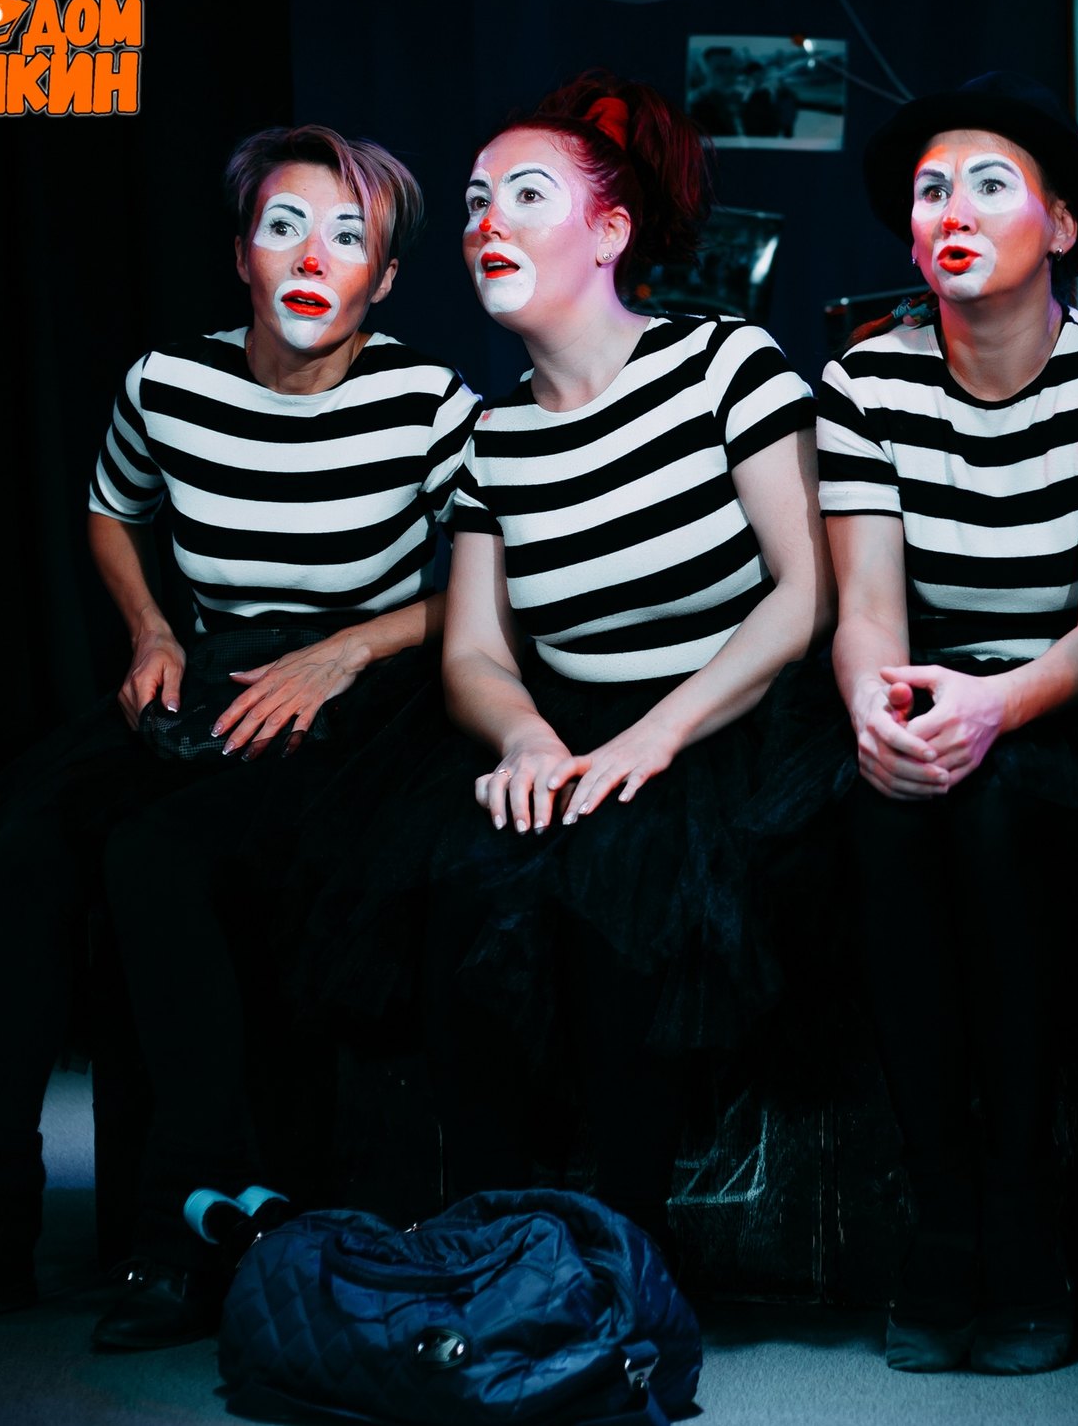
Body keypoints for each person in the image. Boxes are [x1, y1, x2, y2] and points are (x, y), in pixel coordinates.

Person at [0, 125, 475, 1350]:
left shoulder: (428, 402)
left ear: (386, 278)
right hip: (207, 669)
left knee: (157, 859)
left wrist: (348, 650)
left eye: (348, 237)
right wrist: (149, 630)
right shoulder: (167, 383)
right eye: (284, 226)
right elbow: (110, 508)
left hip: (358, 705)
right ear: (242, 254)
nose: (312, 255)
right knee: (25, 851)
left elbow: (490, 580)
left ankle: (193, 1227)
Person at [305, 72, 826, 1252]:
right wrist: (527, 737)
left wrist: (658, 736)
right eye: (474, 202)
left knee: (628, 876)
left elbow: (806, 593)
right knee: (467, 877)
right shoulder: (493, 439)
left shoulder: (724, 364)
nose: (485, 221)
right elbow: (475, 652)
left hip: (726, 722)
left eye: (525, 195)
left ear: (609, 232)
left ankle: (618, 1258)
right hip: (568, 721)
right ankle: (488, 1246)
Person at [813, 72, 1078, 1376]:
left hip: (1070, 702)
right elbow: (865, 604)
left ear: (1062, 226)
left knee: (995, 819)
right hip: (923, 682)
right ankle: (942, 1214)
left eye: (987, 183)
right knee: (884, 815)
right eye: (930, 192)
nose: (951, 210)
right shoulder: (863, 381)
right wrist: (877, 704)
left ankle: (1025, 1224)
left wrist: (993, 707)